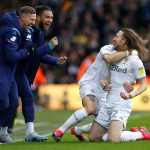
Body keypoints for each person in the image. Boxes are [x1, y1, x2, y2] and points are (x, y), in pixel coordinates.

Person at [52, 34, 134, 142]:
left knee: (107, 125)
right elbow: (108, 59)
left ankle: (77, 131)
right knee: (91, 108)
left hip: (103, 90)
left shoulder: (126, 60)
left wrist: (111, 83)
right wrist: (128, 52)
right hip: (90, 83)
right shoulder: (107, 48)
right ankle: (59, 131)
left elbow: (117, 75)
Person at [8, 5, 67, 142]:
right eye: (47, 17)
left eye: (51, 17)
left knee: (17, 102)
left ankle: (21, 132)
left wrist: (55, 61)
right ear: (38, 18)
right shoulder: (30, 31)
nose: (50, 20)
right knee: (12, 103)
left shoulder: (40, 32)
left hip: (26, 74)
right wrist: (49, 47)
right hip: (17, 73)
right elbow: (32, 54)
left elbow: (38, 55)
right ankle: (11, 131)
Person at [89, 28, 150, 142]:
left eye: (117, 36)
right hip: (108, 102)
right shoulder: (115, 55)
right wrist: (104, 82)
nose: (113, 38)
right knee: (93, 138)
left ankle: (139, 134)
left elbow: (144, 85)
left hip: (121, 104)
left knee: (113, 139)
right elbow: (113, 76)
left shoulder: (135, 61)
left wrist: (131, 94)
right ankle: (114, 131)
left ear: (124, 41)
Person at [0, 6, 36, 143]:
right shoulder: (13, 31)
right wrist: (27, 51)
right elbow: (11, 56)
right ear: (22, 18)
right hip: (3, 70)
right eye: (31, 19)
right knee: (3, 102)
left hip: (10, 72)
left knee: (13, 103)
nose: (33, 22)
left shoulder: (20, 30)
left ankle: (2, 133)